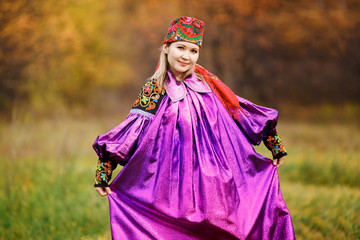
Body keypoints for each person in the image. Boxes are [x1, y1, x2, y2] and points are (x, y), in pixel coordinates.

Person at [93, 16, 295, 240]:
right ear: (166, 48)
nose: (186, 56)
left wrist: (272, 142)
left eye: (193, 50)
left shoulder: (208, 84)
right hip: (170, 186)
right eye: (180, 48)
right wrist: (105, 170)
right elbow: (133, 132)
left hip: (217, 183)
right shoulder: (155, 89)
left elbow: (238, 111)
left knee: (227, 230)